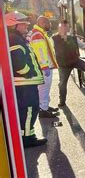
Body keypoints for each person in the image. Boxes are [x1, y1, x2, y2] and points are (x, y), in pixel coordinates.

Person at [6, 11, 47, 147]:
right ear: (14, 25)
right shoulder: (14, 39)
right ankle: (28, 139)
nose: (26, 26)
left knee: (28, 110)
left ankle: (26, 136)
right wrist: (28, 73)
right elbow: (18, 62)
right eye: (23, 24)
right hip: (24, 83)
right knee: (29, 109)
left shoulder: (15, 38)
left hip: (25, 83)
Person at [52, 20, 85, 107]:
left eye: (66, 27)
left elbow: (83, 46)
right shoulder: (54, 38)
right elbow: (50, 51)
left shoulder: (73, 37)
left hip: (75, 61)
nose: (64, 29)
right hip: (64, 65)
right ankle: (62, 101)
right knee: (62, 84)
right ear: (59, 28)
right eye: (62, 27)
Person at [28, 16, 59, 118]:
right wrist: (45, 66)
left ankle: (45, 106)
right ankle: (43, 110)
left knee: (45, 89)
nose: (50, 25)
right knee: (43, 90)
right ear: (42, 23)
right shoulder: (38, 34)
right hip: (43, 68)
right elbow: (40, 52)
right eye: (48, 23)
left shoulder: (40, 33)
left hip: (44, 67)